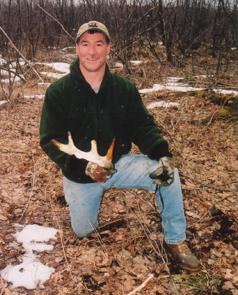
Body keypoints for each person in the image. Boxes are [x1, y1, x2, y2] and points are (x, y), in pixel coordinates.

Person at [40, 21, 199, 272]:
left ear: (108, 49)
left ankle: (175, 240)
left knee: (169, 175)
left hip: (119, 164)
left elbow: (142, 126)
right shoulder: (59, 92)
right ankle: (82, 199)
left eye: (99, 44)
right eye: (86, 44)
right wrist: (82, 168)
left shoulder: (124, 89)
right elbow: (50, 140)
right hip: (82, 175)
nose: (92, 52)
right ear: (77, 48)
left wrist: (163, 155)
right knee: (83, 232)